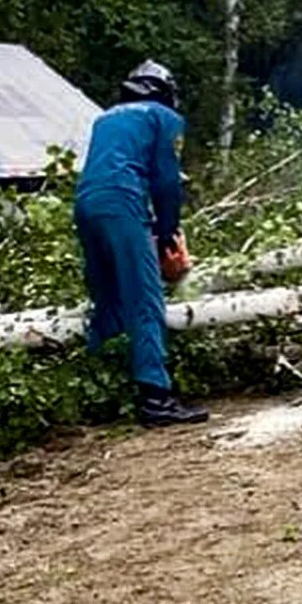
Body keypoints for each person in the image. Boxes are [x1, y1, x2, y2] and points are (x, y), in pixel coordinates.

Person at [74, 60, 206, 427]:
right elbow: (166, 182)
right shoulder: (164, 118)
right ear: (165, 92)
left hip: (86, 202)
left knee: (107, 298)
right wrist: (168, 234)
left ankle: (100, 387)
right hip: (122, 200)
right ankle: (156, 398)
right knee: (146, 298)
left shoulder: (106, 118)